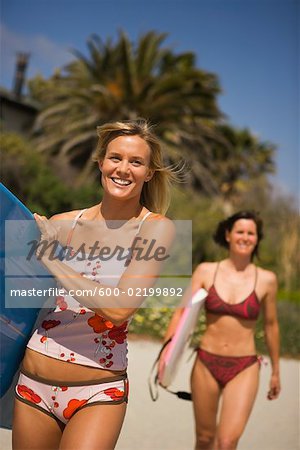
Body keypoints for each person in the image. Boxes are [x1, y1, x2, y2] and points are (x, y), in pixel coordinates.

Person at [12, 119, 176, 450]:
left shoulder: (155, 228)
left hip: (97, 394)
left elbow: (119, 307)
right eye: (115, 157)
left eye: (136, 162)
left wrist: (54, 261)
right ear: (100, 162)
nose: (123, 168)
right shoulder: (61, 224)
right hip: (32, 388)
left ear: (149, 173)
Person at [160, 211, 280, 450]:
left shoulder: (267, 279)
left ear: (257, 239)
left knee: (227, 442)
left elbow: (271, 325)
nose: (245, 237)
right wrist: (165, 354)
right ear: (228, 235)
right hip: (205, 363)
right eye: (240, 231)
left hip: (244, 367)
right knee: (204, 439)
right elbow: (181, 313)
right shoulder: (206, 271)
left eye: (250, 233)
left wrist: (276, 371)